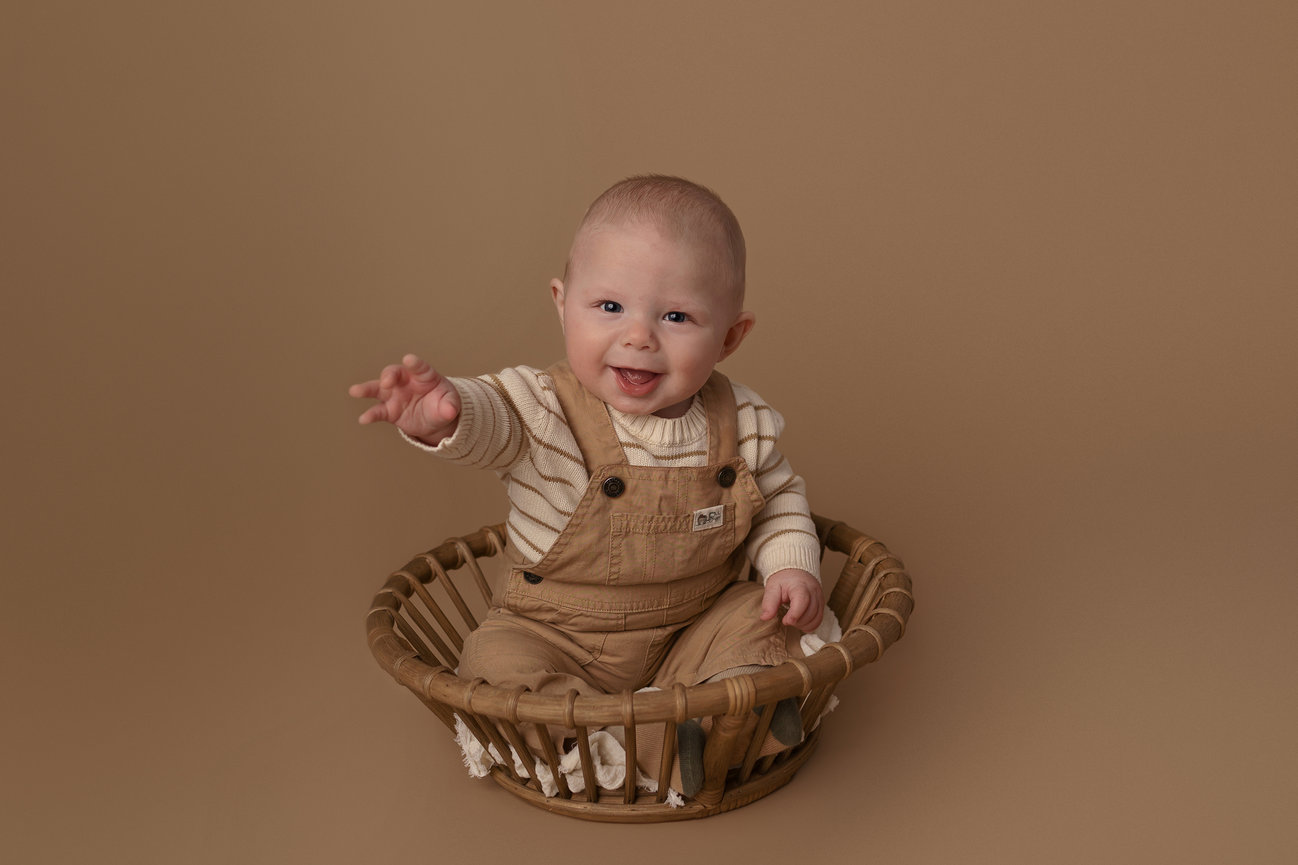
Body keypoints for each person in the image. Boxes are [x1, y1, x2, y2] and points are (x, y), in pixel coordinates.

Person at [349, 175, 830, 798]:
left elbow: (778, 499)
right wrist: (449, 413)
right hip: (553, 634)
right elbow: (494, 419)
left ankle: (699, 719)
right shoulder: (543, 406)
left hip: (693, 629)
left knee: (770, 619)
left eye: (677, 316)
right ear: (562, 301)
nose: (639, 336)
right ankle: (614, 739)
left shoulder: (743, 422)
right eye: (609, 307)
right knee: (492, 666)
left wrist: (792, 567)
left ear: (730, 337)